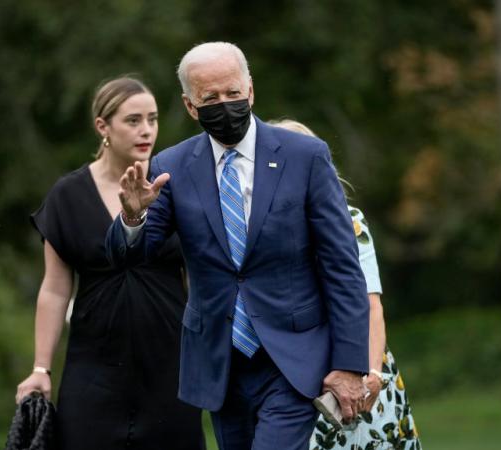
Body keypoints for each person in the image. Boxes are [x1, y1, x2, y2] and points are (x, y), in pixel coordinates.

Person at [105, 42, 371, 450]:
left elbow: (342, 267)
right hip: (221, 364)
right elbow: (128, 257)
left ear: (250, 91)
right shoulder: (170, 168)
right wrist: (132, 218)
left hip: (294, 360)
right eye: (210, 98)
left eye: (231, 93)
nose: (224, 104)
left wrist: (350, 365)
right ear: (190, 106)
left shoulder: (305, 157)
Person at [15, 76, 204, 450]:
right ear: (103, 126)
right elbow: (54, 289)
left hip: (170, 364)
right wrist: (41, 368)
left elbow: (199, 279)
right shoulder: (68, 195)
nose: (146, 130)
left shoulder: (175, 186)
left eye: (152, 119)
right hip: (94, 368)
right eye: (133, 120)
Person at [269, 119, 422, 450]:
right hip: (295, 373)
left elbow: (370, 303)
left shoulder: (347, 220)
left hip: (358, 367)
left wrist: (370, 371)